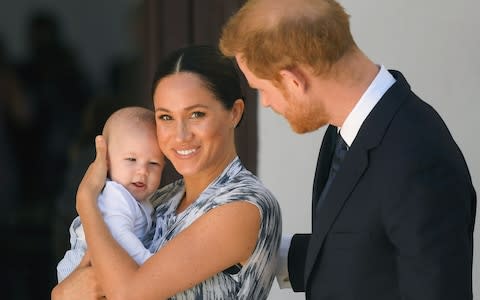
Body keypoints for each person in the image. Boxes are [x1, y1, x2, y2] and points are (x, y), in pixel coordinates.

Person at [219, 0, 476, 299]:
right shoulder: (349, 127)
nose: (265, 102)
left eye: (262, 89)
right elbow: (365, 254)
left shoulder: (419, 160)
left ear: (293, 81)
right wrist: (260, 249)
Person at [51, 45, 282, 300]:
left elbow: (128, 293)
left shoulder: (244, 206)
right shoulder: (160, 200)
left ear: (234, 113)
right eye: (166, 117)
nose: (180, 136)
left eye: (196, 114)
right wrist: (61, 293)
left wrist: (86, 201)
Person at [56, 106, 164, 282]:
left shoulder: (140, 199)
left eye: (153, 163)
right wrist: (149, 264)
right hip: (83, 270)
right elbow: (120, 236)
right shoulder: (115, 195)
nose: (142, 171)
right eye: (131, 159)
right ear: (106, 160)